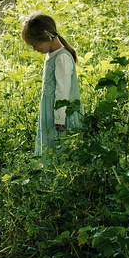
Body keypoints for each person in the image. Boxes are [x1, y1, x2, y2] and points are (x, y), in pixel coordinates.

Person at [22, 12, 81, 155]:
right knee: (51, 147)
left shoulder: (62, 58)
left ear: (46, 36)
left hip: (62, 113)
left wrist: (60, 117)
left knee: (63, 148)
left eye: (36, 44)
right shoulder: (52, 55)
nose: (35, 49)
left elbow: (63, 90)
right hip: (50, 110)